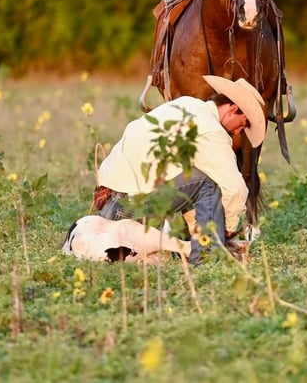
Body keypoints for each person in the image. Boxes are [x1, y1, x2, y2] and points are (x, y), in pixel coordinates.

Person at [93, 75, 266, 264]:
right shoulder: (212, 130)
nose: (237, 132)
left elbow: (188, 189)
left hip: (108, 206)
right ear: (233, 109)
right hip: (127, 212)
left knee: (198, 179)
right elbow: (235, 189)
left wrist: (198, 229)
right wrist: (228, 229)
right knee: (208, 182)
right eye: (242, 124)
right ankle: (206, 257)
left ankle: (199, 245)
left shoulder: (186, 104)